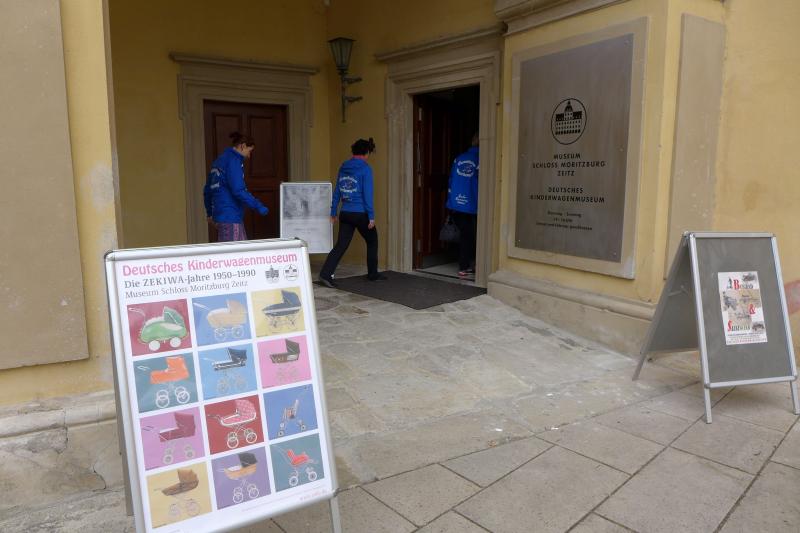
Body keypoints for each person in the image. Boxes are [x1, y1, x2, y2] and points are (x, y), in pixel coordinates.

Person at [318, 138, 386, 288]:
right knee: (372, 240)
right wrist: (371, 216)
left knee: (341, 245)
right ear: (366, 152)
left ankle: (325, 274)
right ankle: (373, 274)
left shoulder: (343, 167)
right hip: (360, 214)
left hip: (346, 213)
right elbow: (368, 194)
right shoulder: (365, 169)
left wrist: (333, 211)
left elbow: (337, 191)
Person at [203, 132, 269, 242]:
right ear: (243, 146)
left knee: (240, 251)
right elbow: (238, 190)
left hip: (221, 216)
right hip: (231, 216)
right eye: (249, 151)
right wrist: (258, 206)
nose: (249, 156)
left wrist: (209, 213)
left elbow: (207, 191)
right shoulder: (233, 161)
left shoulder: (218, 161)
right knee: (234, 252)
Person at [446, 133, 479, 278]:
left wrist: (450, 201)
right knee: (471, 236)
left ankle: (465, 265)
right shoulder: (481, 159)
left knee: (465, 235)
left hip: (457, 203)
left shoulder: (458, 158)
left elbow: (451, 180)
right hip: (472, 204)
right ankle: (465, 266)